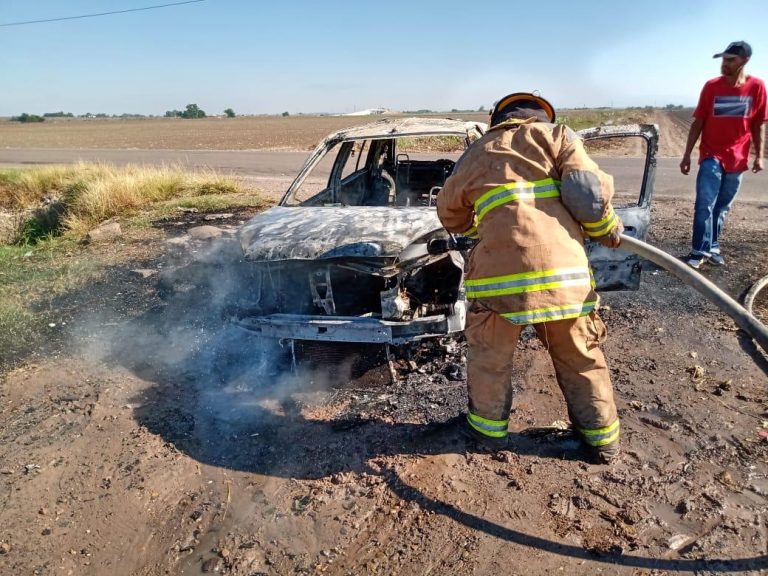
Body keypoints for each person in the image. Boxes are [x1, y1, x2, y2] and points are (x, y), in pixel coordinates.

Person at [436, 92, 623, 464]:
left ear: (497, 120)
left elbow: (450, 213)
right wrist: (607, 229)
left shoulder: (477, 152)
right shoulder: (559, 137)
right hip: (561, 278)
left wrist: (480, 223)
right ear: (540, 117)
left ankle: (487, 434)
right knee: (581, 359)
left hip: (497, 284)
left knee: (489, 359)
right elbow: (587, 192)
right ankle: (602, 443)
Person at [680, 41, 767, 269]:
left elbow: (758, 124)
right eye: (723, 59)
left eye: (731, 60)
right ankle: (698, 250)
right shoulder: (712, 86)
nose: (725, 64)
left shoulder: (757, 87)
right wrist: (687, 154)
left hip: (738, 158)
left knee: (722, 207)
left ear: (744, 61)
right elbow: (698, 122)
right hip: (712, 154)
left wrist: (759, 155)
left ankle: (713, 247)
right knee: (704, 204)